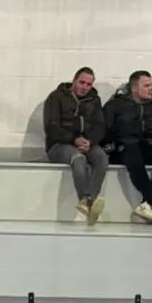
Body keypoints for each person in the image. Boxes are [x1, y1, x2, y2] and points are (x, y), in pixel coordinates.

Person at [42, 67, 109, 225]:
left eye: (88, 84)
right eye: (82, 82)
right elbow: (51, 127)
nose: (84, 87)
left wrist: (90, 141)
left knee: (101, 158)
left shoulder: (94, 100)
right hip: (59, 144)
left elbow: (100, 126)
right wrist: (73, 140)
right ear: (74, 80)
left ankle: (89, 202)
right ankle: (85, 199)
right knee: (78, 159)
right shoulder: (55, 97)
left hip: (86, 142)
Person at [102, 70, 152, 224]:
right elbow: (105, 129)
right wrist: (110, 145)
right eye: (147, 85)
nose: (151, 89)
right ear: (134, 88)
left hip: (151, 145)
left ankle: (146, 204)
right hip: (124, 146)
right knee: (133, 155)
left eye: (151, 85)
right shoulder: (115, 105)